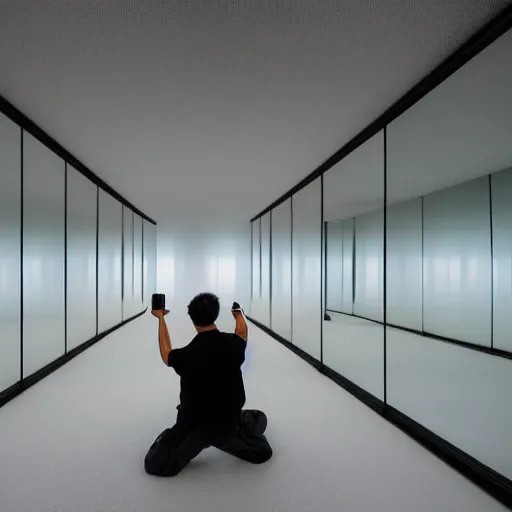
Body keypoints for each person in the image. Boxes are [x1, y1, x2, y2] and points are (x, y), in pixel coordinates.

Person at [144, 292, 272, 477]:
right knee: (261, 436)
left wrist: (161, 318)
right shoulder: (233, 344)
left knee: (155, 464)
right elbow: (242, 332)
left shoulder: (187, 355)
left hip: (197, 425)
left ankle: (198, 438)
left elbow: (166, 353)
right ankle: (227, 436)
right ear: (216, 315)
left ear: (192, 318)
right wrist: (238, 314)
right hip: (226, 423)